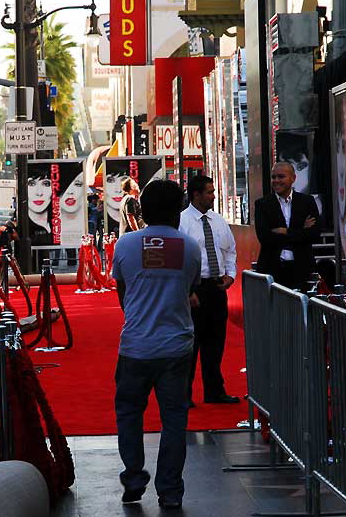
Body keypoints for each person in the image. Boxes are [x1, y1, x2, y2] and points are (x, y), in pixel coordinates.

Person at [112, 179, 201, 510]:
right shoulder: (190, 246)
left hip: (135, 345)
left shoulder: (126, 245)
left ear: (143, 209)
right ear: (177, 209)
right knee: (175, 419)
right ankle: (170, 490)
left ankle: (134, 477)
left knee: (129, 413)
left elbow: (123, 291)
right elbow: (190, 286)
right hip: (176, 345)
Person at [179, 175, 239, 406]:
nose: (213, 196)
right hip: (193, 289)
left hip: (216, 288)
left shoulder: (218, 221)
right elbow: (179, 259)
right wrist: (187, 290)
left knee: (215, 343)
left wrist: (230, 275)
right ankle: (184, 394)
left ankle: (214, 391)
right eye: (210, 192)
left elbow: (230, 250)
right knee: (190, 344)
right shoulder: (182, 222)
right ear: (196, 195)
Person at [255, 162, 321, 291]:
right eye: (274, 177)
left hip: (302, 268)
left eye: (281, 177)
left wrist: (284, 231)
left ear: (293, 178)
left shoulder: (307, 202)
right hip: (272, 269)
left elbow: (314, 235)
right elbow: (265, 238)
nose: (276, 181)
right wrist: (301, 231)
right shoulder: (262, 204)